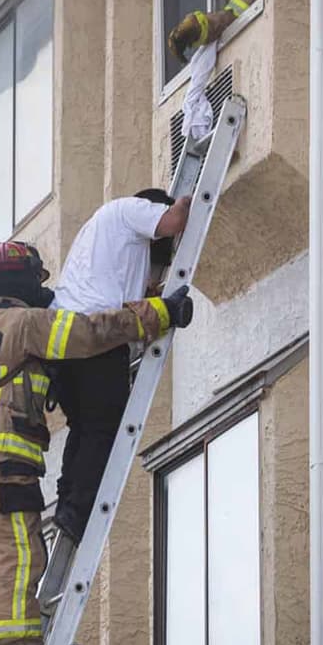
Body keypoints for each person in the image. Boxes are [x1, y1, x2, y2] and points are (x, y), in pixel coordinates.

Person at [0, 240, 192, 645]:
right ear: (23, 281)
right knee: (20, 558)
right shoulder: (23, 323)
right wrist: (157, 312)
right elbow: (88, 334)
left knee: (3, 557)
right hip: (3, 462)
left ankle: (3, 633)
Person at [48, 189, 191, 543]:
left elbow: (136, 289)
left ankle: (68, 505)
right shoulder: (131, 209)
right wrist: (189, 201)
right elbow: (174, 220)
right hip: (97, 336)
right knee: (104, 427)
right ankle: (78, 511)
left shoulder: (102, 236)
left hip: (62, 342)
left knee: (82, 427)